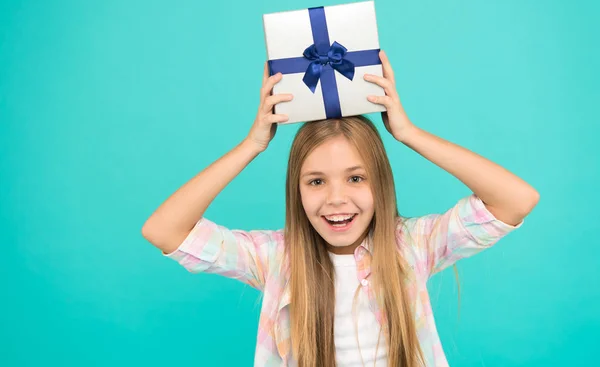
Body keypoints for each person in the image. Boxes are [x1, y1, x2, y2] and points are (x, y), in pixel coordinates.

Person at [142, 50, 539, 367]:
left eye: (355, 178)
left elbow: (516, 200)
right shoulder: (276, 258)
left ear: (379, 183)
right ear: (296, 191)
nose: (335, 200)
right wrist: (252, 145)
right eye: (316, 181)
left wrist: (408, 133)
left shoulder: (413, 246)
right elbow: (165, 230)